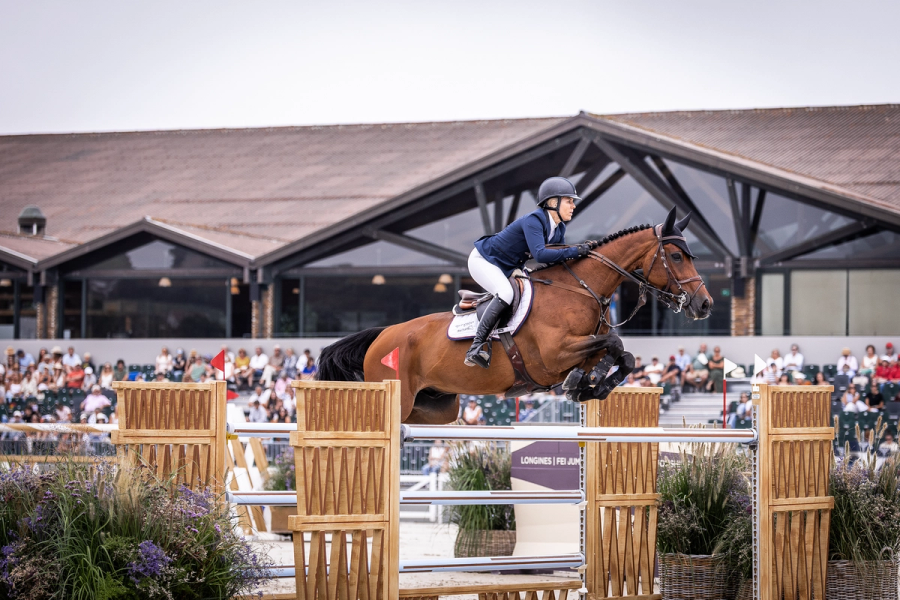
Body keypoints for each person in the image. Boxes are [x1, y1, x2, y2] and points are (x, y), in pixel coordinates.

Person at [463, 176, 591, 368]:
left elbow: (557, 260)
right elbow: (541, 255)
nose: (573, 205)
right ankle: (475, 347)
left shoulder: (558, 229)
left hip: (509, 266)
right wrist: (576, 250)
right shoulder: (535, 220)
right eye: (569, 201)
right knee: (505, 293)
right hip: (484, 260)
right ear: (553, 202)